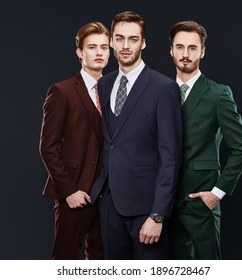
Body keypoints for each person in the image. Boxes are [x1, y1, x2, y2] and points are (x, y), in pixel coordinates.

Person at [89, 11, 182, 259]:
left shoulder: (164, 88)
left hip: (146, 208)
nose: (125, 46)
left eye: (132, 39)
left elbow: (170, 156)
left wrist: (158, 214)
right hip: (109, 203)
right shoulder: (104, 84)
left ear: (143, 43)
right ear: (111, 42)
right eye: (119, 38)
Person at [169, 20, 242, 259]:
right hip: (166, 203)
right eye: (180, 47)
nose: (185, 54)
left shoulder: (218, 93)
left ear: (202, 51)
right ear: (171, 49)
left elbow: (241, 149)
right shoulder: (160, 92)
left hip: (201, 201)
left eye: (192, 48)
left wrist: (217, 193)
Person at [39, 22, 110, 259]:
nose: (99, 52)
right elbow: (48, 147)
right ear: (80, 52)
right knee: (64, 259)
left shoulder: (115, 92)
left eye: (104, 47)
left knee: (100, 260)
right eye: (92, 47)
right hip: (75, 193)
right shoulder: (62, 91)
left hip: (107, 195)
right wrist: (69, 190)